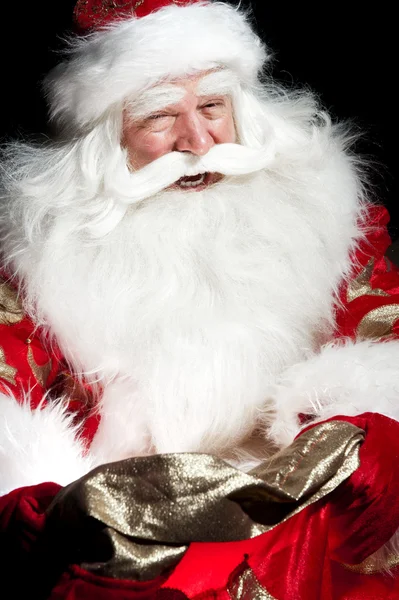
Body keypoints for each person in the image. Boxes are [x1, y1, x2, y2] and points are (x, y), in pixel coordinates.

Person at [1, 0, 399, 597]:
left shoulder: (333, 215)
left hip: (305, 517)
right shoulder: (35, 248)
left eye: (214, 107)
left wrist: (377, 427)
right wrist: (27, 497)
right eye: (160, 117)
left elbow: (380, 330)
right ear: (106, 141)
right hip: (124, 533)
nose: (199, 141)